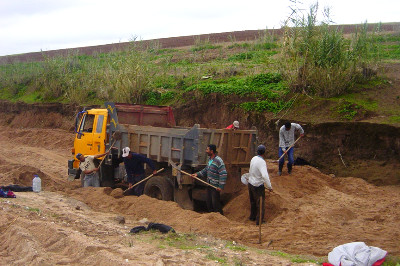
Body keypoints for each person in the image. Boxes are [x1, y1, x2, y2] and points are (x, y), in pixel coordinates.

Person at [194, 144, 227, 214]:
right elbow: (206, 170)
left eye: (207, 150)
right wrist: (197, 174)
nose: (206, 151)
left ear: (211, 151)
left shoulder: (218, 161)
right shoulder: (210, 160)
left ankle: (220, 217)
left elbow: (223, 173)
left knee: (215, 203)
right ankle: (212, 217)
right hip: (209, 184)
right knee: (209, 202)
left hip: (215, 186)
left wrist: (221, 186)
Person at [247, 145, 273, 225]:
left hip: (250, 183)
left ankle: (252, 217)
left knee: (253, 202)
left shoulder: (253, 158)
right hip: (258, 185)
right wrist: (269, 187)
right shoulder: (262, 162)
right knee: (260, 203)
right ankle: (260, 221)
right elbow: (265, 176)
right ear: (264, 152)